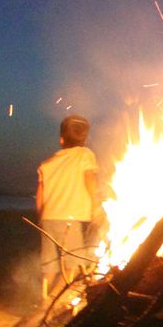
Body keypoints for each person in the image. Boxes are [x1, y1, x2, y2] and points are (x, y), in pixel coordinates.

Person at [36, 115, 102, 299]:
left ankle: (43, 297)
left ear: (61, 139)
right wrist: (97, 205)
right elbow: (89, 179)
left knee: (49, 263)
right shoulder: (85, 154)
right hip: (70, 219)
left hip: (48, 218)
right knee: (73, 265)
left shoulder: (46, 164)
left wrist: (42, 216)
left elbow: (40, 195)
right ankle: (52, 304)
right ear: (85, 138)